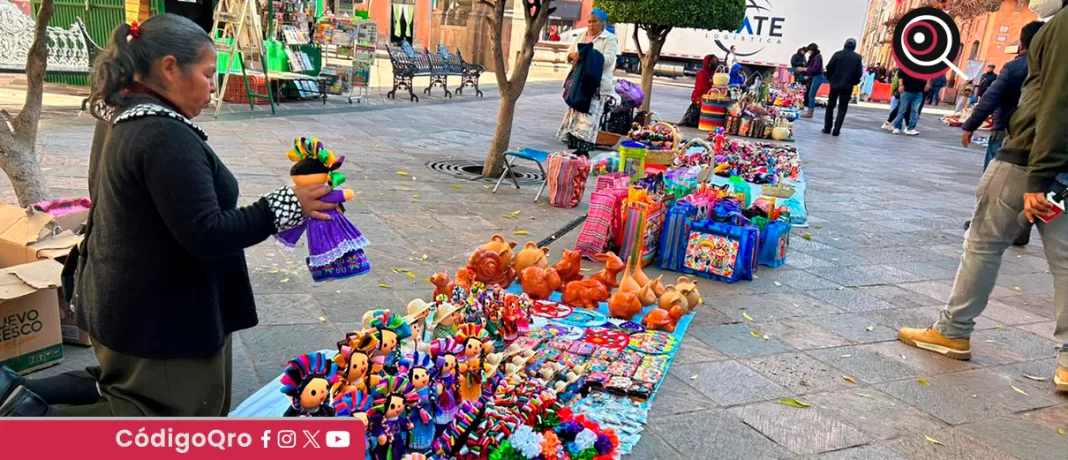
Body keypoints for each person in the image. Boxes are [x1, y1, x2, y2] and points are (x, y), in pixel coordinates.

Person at [0, 15, 338, 417]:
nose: (213, 86)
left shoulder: (122, 114)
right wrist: (287, 204)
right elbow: (205, 232)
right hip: (159, 316)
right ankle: (27, 427)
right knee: (159, 420)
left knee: (120, 387)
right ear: (170, 68)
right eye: (209, 74)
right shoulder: (162, 134)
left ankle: (18, 395)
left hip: (129, 302)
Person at [898, 0, 1068, 393]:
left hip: (1029, 159)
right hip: (1056, 164)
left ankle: (953, 330)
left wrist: (1039, 177)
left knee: (983, 243)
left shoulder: (1061, 27)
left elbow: (1058, 102)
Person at [961, 21, 1045, 245]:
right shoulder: (1053, 66)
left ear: (1023, 43)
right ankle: (1020, 232)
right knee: (1031, 185)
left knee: (992, 183)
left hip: (1007, 132)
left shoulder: (1014, 67)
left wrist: (970, 125)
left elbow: (990, 97)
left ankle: (981, 225)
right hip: (1042, 137)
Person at [556, 8, 618, 155]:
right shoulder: (582, 35)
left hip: (595, 85)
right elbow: (569, 54)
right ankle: (576, 148)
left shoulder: (609, 39)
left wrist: (590, 55)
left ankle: (583, 151)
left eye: (594, 22)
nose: (591, 25)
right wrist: (573, 55)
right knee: (576, 116)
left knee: (588, 120)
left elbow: (609, 60)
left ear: (602, 23)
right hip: (579, 83)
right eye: (589, 21)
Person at [822, 38, 863, 136]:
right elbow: (859, 73)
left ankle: (827, 128)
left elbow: (829, 67)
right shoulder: (857, 57)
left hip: (835, 84)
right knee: (842, 109)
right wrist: (854, 82)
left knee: (830, 106)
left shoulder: (837, 54)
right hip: (847, 86)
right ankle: (836, 130)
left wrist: (830, 79)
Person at [680, 55, 719, 127]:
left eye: (716, 61)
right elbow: (702, 89)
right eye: (713, 61)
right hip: (700, 97)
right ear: (708, 62)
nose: (715, 63)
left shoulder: (713, 74)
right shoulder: (702, 74)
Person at [891, 69, 926, 135]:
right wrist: (901, 84)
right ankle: (897, 127)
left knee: (915, 110)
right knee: (902, 109)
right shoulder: (908, 63)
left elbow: (929, 73)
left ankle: (911, 128)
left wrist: (928, 83)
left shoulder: (923, 65)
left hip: (919, 91)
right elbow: (900, 73)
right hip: (906, 90)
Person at [800, 43, 824, 118]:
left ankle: (810, 113)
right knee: (811, 94)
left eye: (809, 50)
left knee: (811, 95)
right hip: (815, 76)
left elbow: (816, 68)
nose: (809, 52)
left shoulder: (817, 57)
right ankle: (809, 112)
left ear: (812, 50)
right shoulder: (816, 56)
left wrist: (806, 69)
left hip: (817, 77)